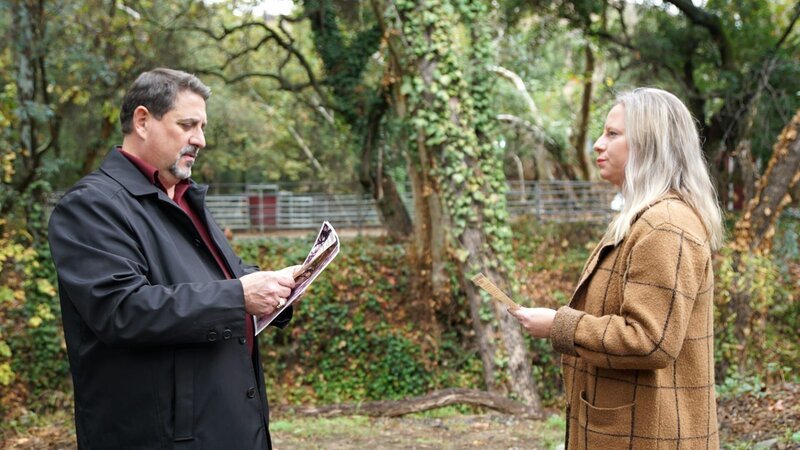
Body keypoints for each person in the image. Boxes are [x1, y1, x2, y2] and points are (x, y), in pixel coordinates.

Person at [48, 68, 299, 449]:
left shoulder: (182, 195)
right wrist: (238, 296)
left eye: (202, 126)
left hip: (225, 426)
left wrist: (277, 286)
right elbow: (122, 310)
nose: (200, 139)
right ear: (143, 121)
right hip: (161, 437)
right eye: (187, 125)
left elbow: (219, 275)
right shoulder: (91, 206)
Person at [509, 88, 724, 449]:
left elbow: (649, 340)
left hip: (649, 435)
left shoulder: (665, 226)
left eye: (612, 134)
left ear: (648, 143)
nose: (597, 144)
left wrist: (558, 325)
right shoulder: (644, 219)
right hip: (630, 429)